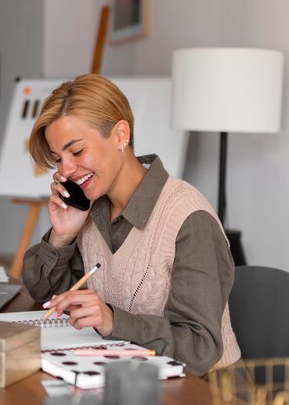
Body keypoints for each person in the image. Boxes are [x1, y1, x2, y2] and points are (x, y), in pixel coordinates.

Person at [22, 73, 241, 377]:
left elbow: (200, 346)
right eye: (58, 159)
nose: (66, 170)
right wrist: (63, 236)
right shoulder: (92, 210)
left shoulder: (189, 219)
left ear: (120, 134)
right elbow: (42, 292)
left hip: (203, 389)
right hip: (127, 375)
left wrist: (113, 321)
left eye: (77, 151)